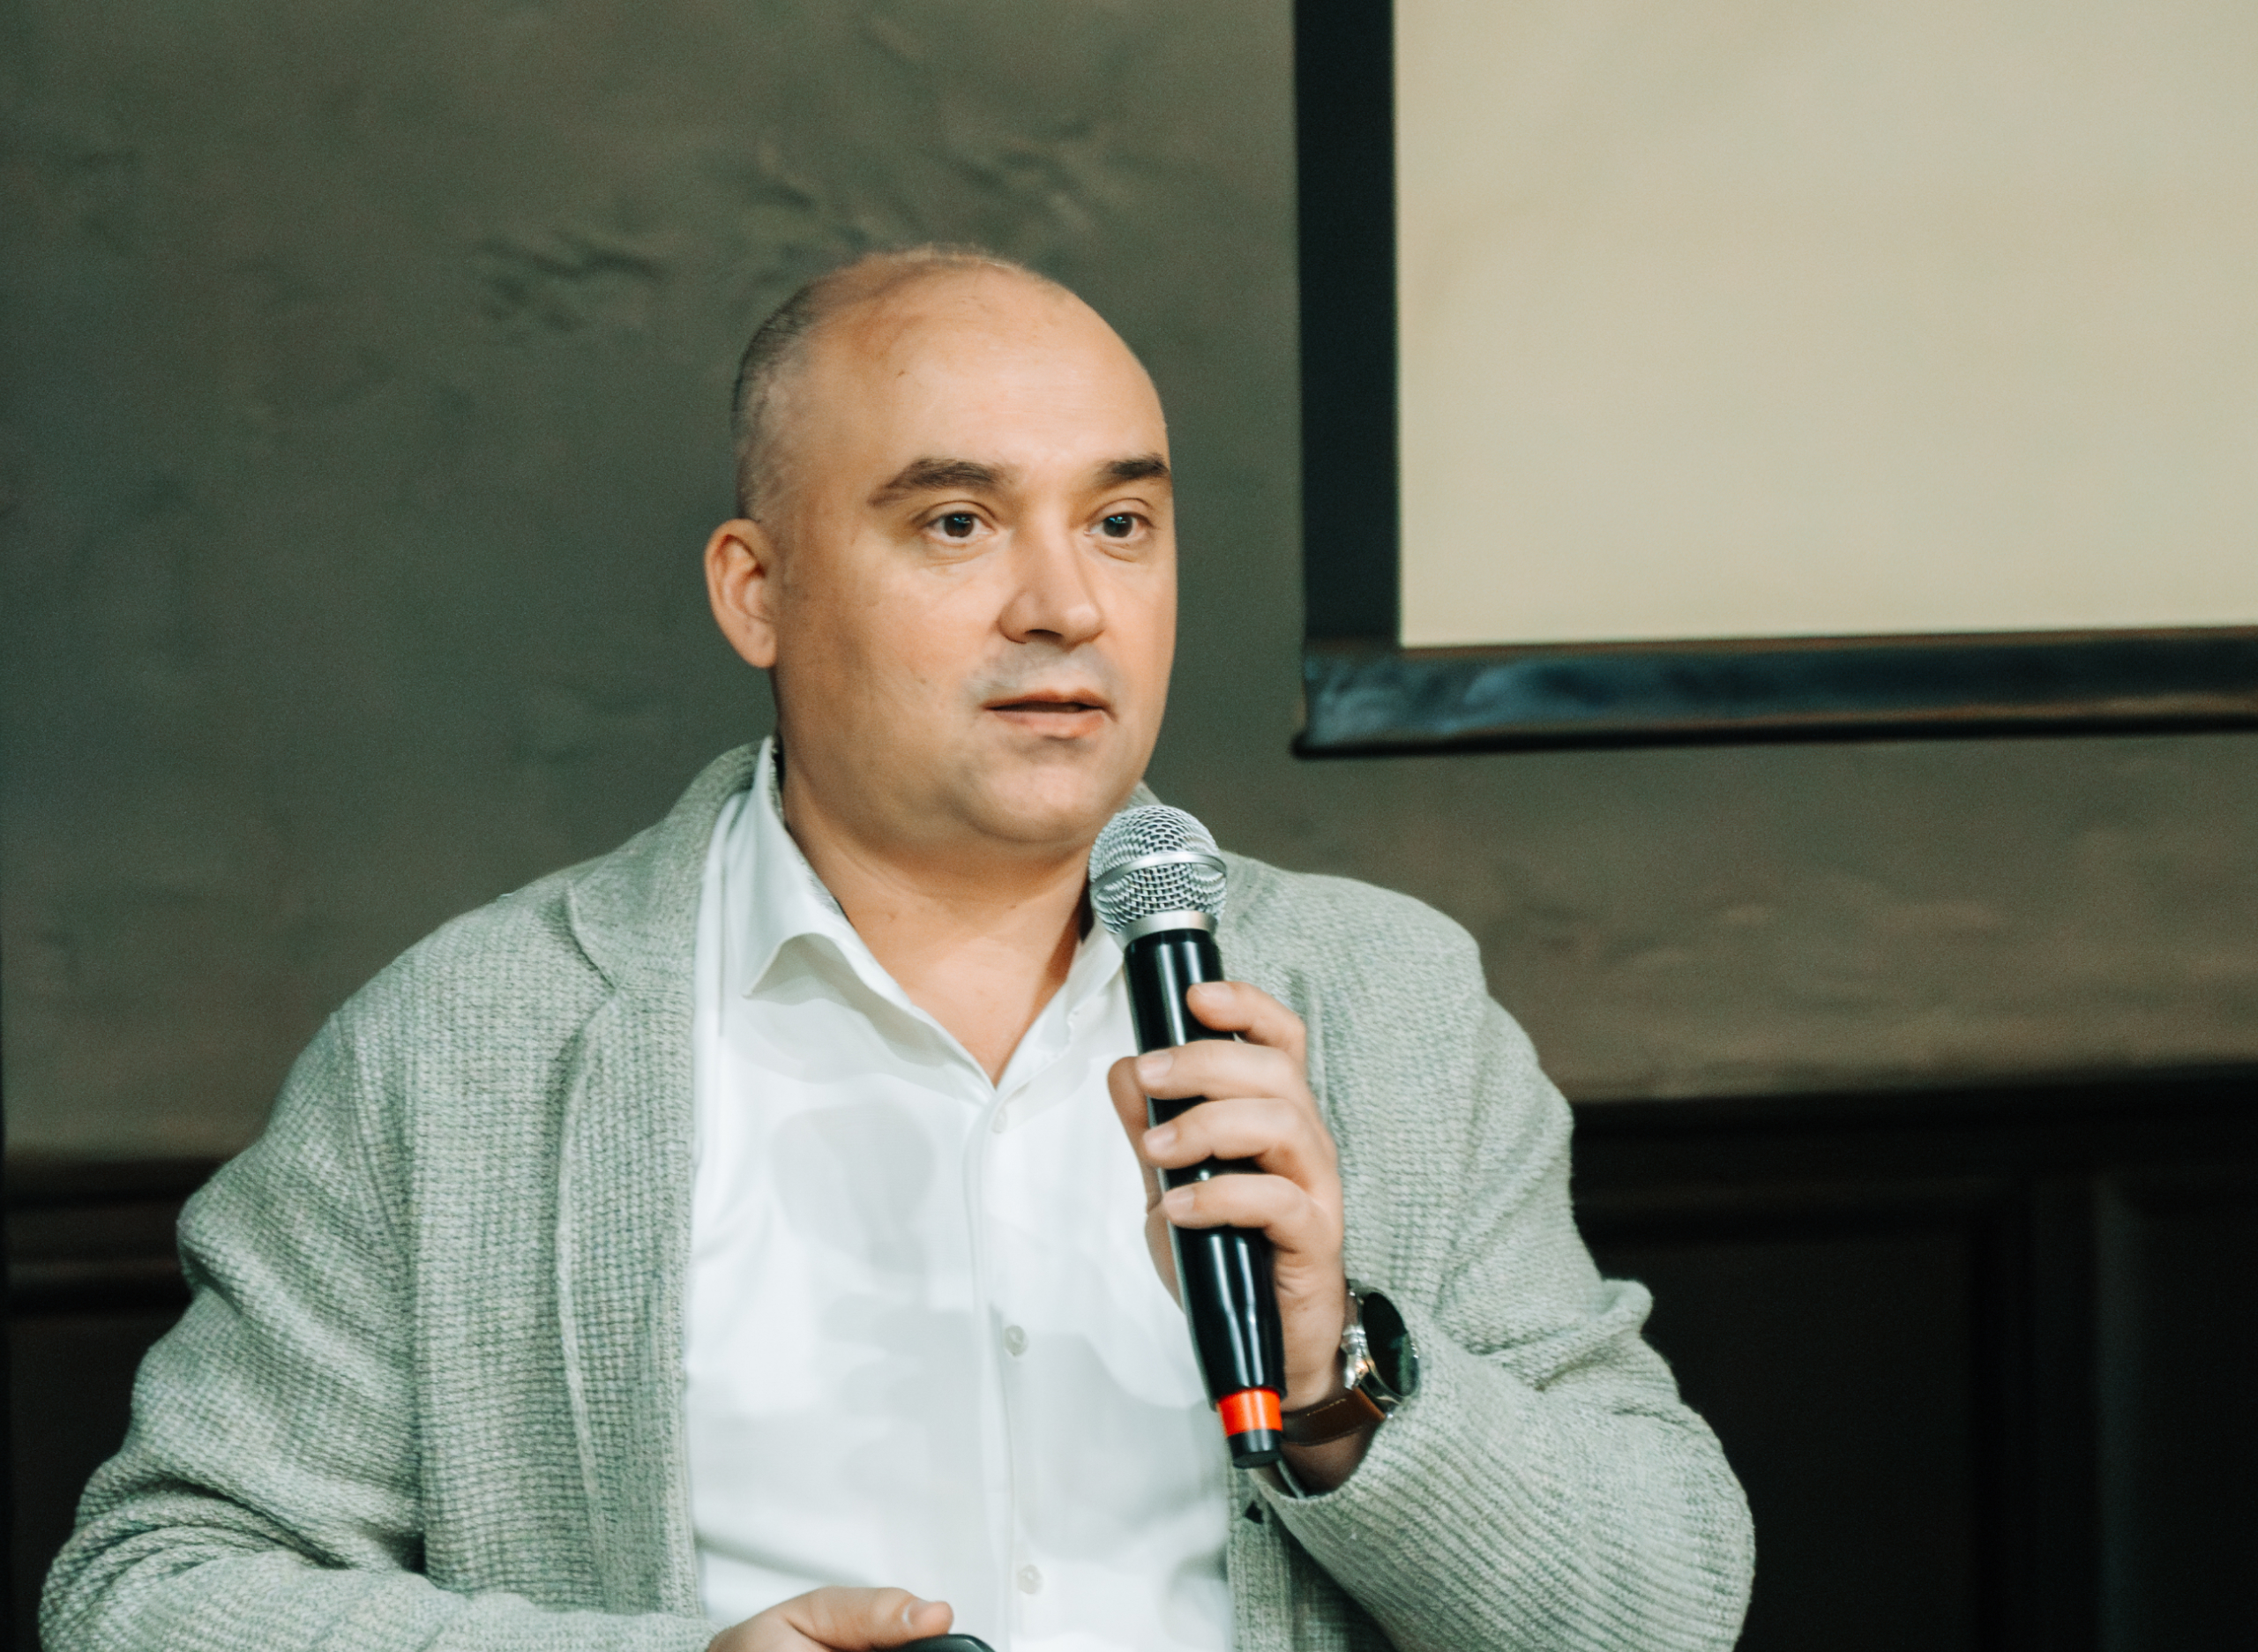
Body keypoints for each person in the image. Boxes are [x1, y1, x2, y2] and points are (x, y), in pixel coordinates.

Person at [42, 246, 1753, 1652]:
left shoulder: (1384, 1002)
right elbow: (154, 1594)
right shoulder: (471, 1044)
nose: (1063, 604)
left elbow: (1665, 1603)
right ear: (756, 589)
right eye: (956, 523)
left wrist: (1336, 1390)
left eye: (1120, 523)